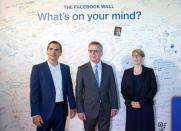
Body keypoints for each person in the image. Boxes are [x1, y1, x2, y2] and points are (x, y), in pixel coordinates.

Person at [30, 41, 76, 131]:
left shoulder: (65, 68)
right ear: (47, 51)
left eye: (56, 50)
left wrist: (73, 106)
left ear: (60, 53)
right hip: (44, 111)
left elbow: (69, 89)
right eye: (51, 49)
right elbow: (34, 94)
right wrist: (35, 114)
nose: (53, 52)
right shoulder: (38, 69)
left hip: (61, 110)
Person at [76, 41, 118, 131]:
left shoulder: (108, 69)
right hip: (88, 110)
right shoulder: (82, 69)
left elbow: (113, 89)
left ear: (101, 53)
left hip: (105, 109)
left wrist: (114, 106)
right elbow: (78, 92)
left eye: (96, 51)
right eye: (90, 51)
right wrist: (80, 110)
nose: (93, 53)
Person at [121, 49, 157, 131]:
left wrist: (141, 103)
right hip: (131, 107)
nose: (136, 58)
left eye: (138, 56)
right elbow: (123, 90)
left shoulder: (149, 71)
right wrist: (130, 102)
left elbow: (153, 88)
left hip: (145, 107)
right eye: (134, 56)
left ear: (142, 57)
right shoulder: (127, 72)